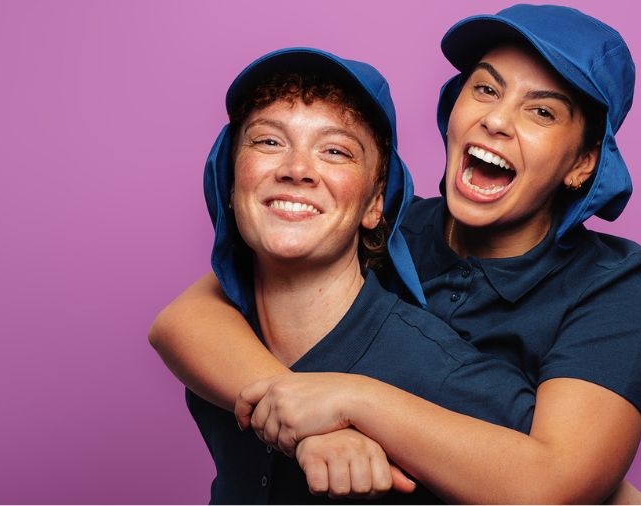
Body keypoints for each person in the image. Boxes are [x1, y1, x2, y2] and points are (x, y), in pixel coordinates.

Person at [151, 5, 641, 504]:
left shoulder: (616, 283)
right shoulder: (375, 226)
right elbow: (188, 318)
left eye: (541, 111)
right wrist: (308, 422)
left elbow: (554, 482)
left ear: (583, 163)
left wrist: (353, 399)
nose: (496, 120)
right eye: (485, 89)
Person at [177, 47, 538, 503]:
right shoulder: (215, 341)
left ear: (374, 204)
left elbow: (560, 483)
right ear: (229, 182)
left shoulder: (438, 369)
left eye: (335, 151)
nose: (296, 170)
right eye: (269, 141)